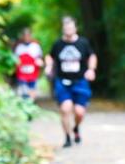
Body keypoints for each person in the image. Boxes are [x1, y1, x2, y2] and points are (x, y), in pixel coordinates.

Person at [45, 16, 97, 148]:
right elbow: (50, 56)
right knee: (65, 108)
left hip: (80, 81)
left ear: (75, 28)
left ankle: (76, 128)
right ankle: (67, 137)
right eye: (66, 27)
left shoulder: (83, 43)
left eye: (71, 27)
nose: (68, 30)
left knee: (80, 112)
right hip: (62, 81)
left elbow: (92, 56)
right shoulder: (58, 44)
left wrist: (91, 69)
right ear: (63, 29)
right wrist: (49, 66)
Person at [12, 28, 43, 101]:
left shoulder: (35, 46)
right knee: (23, 91)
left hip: (33, 74)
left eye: (28, 35)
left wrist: (39, 62)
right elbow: (15, 59)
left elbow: (40, 58)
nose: (26, 37)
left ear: (30, 36)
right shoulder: (18, 47)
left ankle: (30, 104)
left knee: (32, 90)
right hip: (21, 74)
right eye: (24, 35)